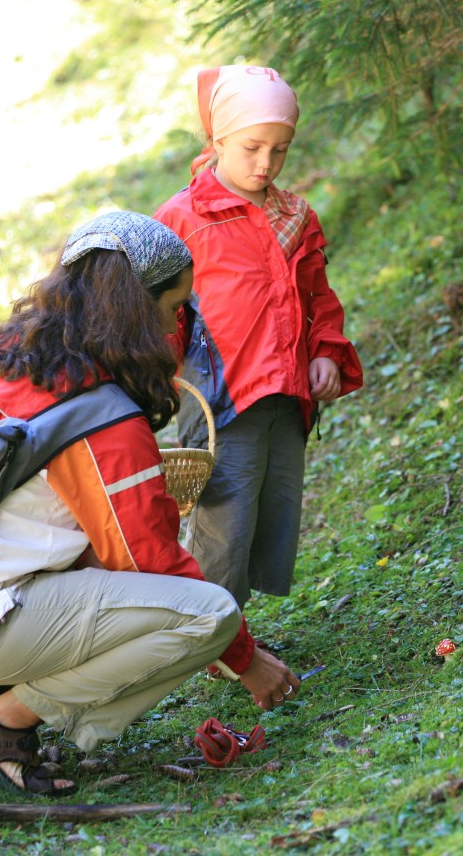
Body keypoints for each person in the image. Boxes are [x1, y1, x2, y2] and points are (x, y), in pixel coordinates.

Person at [0, 211, 300, 797]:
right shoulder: (100, 411)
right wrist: (245, 658)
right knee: (209, 615)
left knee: (100, 571)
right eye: (175, 308)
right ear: (137, 310)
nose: (180, 324)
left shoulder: (5, 355)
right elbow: (151, 561)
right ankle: (0, 727)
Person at [153, 65, 364, 617]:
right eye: (251, 147)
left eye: (280, 150)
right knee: (224, 520)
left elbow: (318, 299)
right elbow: (155, 314)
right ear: (217, 139)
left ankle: (231, 629)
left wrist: (325, 351)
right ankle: (213, 635)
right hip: (221, 399)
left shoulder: (295, 216)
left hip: (285, 395)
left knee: (271, 507)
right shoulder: (182, 221)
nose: (265, 163)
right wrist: (151, 382)